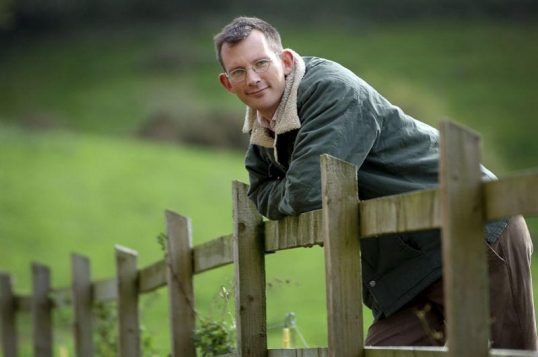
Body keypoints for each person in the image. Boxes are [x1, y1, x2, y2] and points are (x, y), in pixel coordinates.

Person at [213, 16, 537, 349]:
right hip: (406, 272)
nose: (252, 78)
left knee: (506, 354)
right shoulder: (263, 130)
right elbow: (260, 192)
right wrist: (291, 188)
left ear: (284, 60)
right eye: (239, 71)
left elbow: (308, 192)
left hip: (472, 234)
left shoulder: (332, 91)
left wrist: (291, 188)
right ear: (227, 82)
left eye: (261, 63)